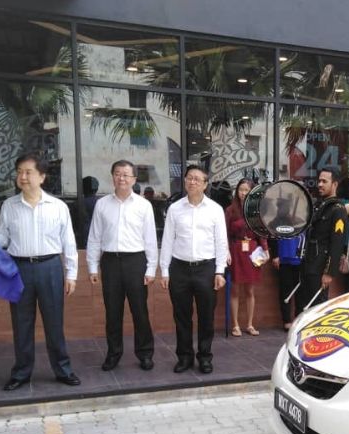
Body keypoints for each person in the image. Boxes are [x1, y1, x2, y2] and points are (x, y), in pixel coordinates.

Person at [0, 152, 79, 391]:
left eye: (28, 172)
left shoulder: (58, 207)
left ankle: (63, 370)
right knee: (22, 324)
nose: (23, 177)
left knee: (54, 323)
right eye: (19, 172)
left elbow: (68, 242)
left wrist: (71, 274)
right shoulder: (9, 205)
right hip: (19, 269)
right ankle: (21, 373)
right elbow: (4, 237)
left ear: (42, 176)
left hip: (50, 268)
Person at [86, 160, 157, 372]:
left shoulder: (144, 205)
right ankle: (113, 354)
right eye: (118, 173)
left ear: (134, 179)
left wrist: (151, 268)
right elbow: (94, 237)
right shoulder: (102, 204)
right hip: (110, 263)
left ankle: (145, 353)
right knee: (112, 312)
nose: (122, 178)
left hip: (136, 261)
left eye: (126, 174)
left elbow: (150, 239)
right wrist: (92, 265)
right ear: (112, 177)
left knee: (140, 311)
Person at [160, 165, 228, 374]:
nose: (192, 182)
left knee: (206, 316)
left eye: (197, 179)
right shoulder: (175, 209)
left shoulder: (215, 210)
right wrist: (164, 270)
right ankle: (184, 357)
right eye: (189, 178)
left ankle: (205, 357)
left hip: (206, 269)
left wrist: (220, 271)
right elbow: (168, 240)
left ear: (205, 184)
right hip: (179, 268)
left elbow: (221, 242)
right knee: (182, 316)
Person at [297, 168, 347, 313]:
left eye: (324, 181)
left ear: (335, 184)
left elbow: (337, 243)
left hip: (320, 266)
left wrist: (329, 272)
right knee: (304, 305)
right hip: (308, 262)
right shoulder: (320, 206)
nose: (320, 184)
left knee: (317, 308)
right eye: (319, 181)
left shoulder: (338, 210)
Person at [225, 178, 268, 336]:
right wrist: (226, 251)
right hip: (236, 250)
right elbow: (225, 234)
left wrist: (265, 249)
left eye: (246, 190)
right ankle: (235, 325)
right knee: (235, 290)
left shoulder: (255, 210)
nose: (243, 193)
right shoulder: (230, 210)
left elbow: (261, 233)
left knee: (250, 290)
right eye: (241, 190)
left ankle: (249, 324)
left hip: (252, 252)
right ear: (237, 191)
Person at [269, 233, 303, 330]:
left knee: (300, 291)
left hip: (301, 258)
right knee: (285, 291)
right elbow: (272, 235)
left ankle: (299, 319)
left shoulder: (303, 220)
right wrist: (275, 255)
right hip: (283, 259)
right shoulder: (279, 220)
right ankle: (286, 321)